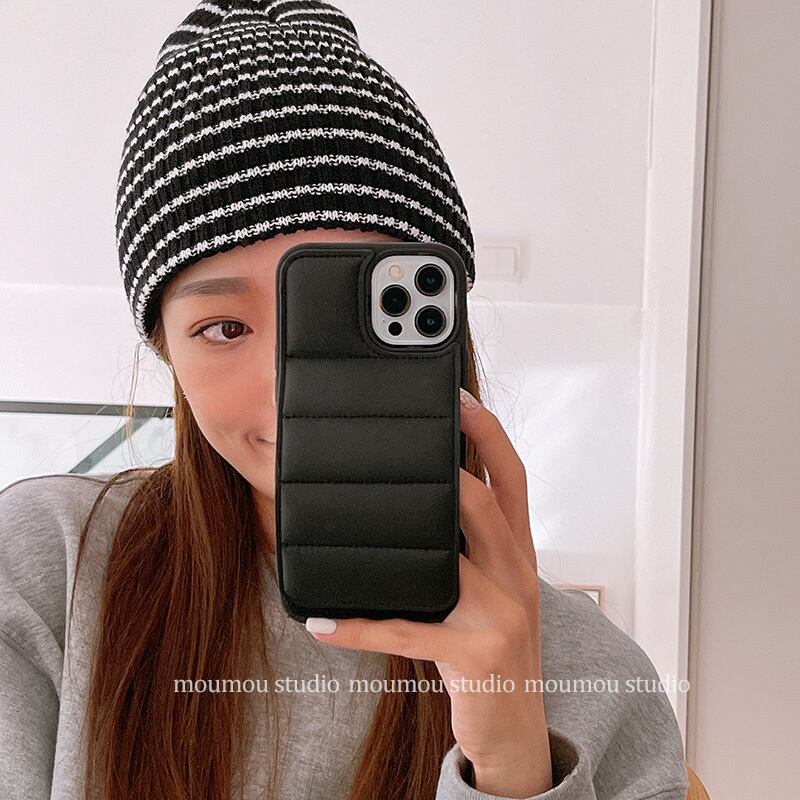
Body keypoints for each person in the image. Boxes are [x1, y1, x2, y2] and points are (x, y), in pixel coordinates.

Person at [0, 2, 690, 799]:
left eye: (341, 319)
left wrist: (510, 761)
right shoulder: (50, 571)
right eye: (224, 328)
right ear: (167, 354)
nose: (291, 386)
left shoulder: (590, 671)